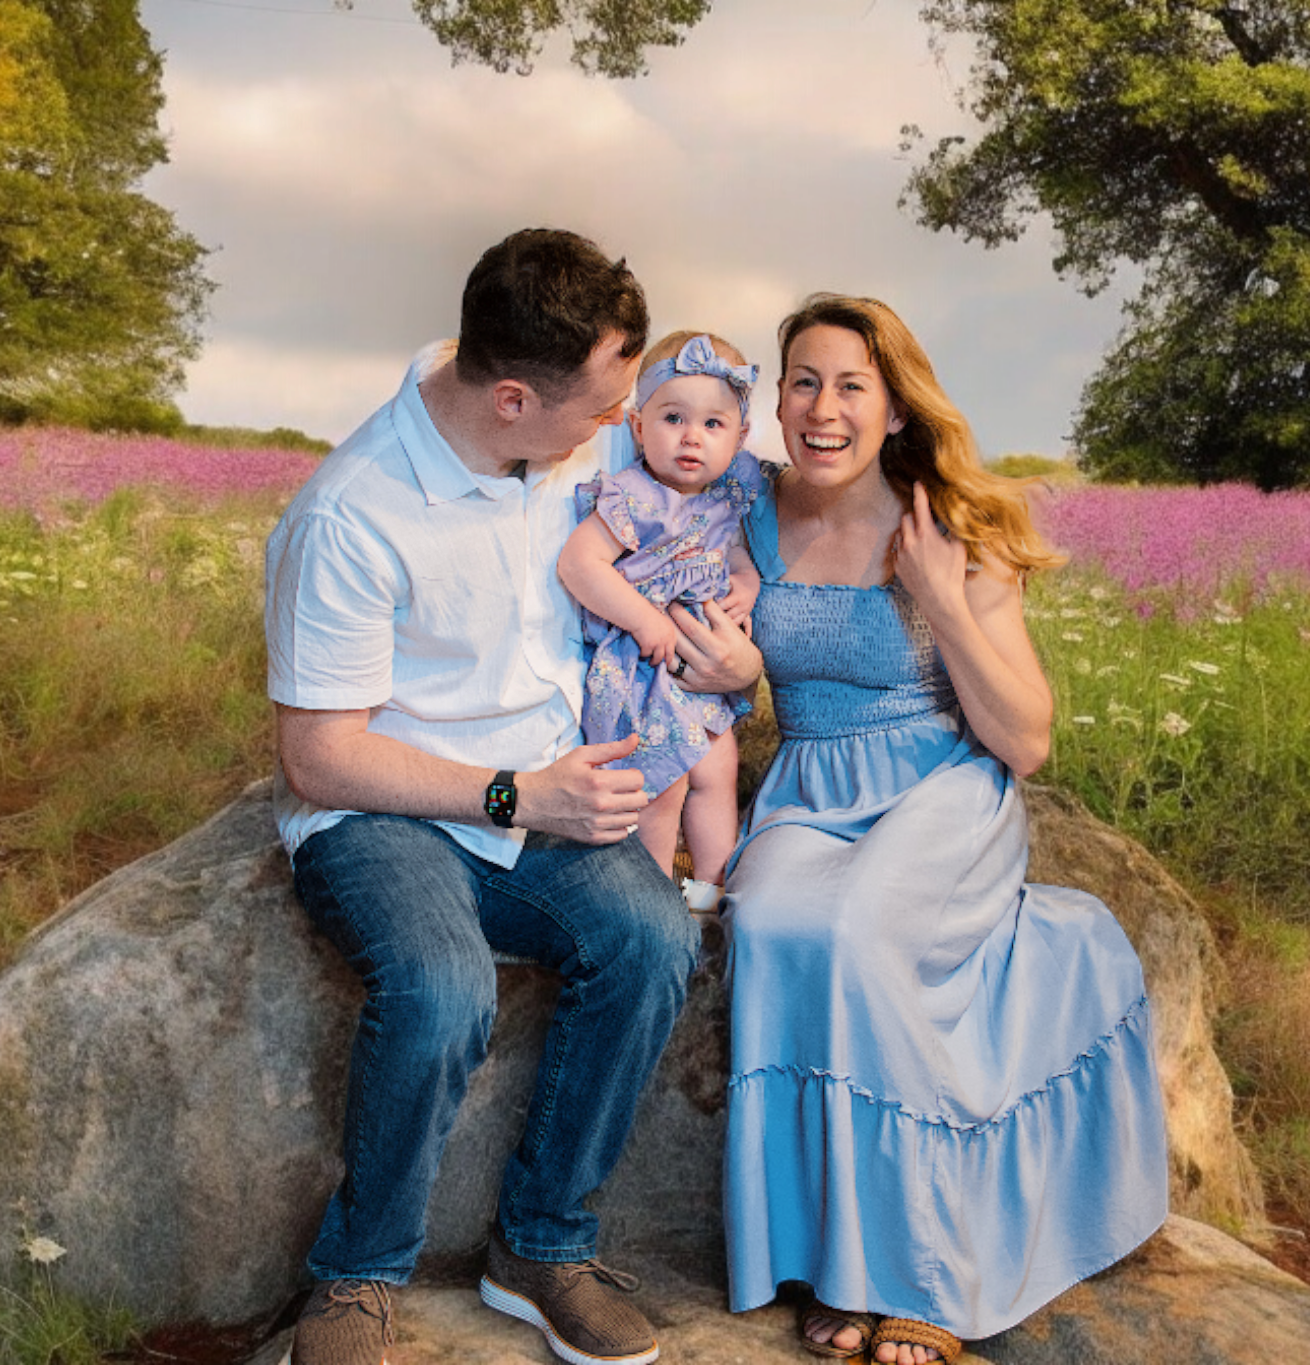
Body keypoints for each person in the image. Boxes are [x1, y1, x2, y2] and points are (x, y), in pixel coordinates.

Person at [263, 229, 761, 1365]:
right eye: (604, 407)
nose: (622, 425)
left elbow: (728, 474)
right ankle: (357, 1274)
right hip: (387, 807)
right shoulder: (350, 516)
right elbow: (318, 758)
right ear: (511, 400)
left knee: (649, 940)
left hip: (545, 786)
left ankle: (539, 1243)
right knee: (441, 989)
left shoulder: (573, 438)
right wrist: (517, 796)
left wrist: (736, 657)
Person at [722, 294, 1170, 1364]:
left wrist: (944, 599)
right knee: (769, 925)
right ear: (775, 400)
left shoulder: (949, 524)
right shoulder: (745, 510)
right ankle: (832, 1253)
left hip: (941, 782)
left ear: (893, 408)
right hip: (810, 786)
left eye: (850, 386)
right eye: (802, 382)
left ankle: (919, 1272)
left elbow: (1025, 739)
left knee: (861, 933)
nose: (822, 409)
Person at [558, 330, 765, 895]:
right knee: (663, 786)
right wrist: (644, 619)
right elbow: (579, 563)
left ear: (740, 437)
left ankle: (710, 894)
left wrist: (746, 582)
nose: (692, 437)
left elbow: (734, 550)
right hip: (644, 666)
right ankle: (653, 897)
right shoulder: (633, 496)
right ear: (637, 426)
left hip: (700, 670)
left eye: (713, 424)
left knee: (718, 771)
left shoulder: (727, 495)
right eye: (673, 418)